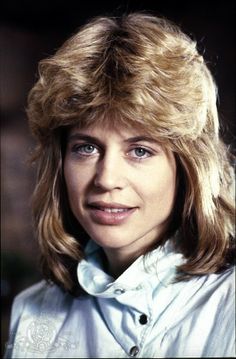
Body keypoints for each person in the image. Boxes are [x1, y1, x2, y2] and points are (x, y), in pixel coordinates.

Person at [5, 12, 235, 358]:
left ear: (187, 166)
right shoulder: (33, 314)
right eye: (86, 148)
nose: (107, 179)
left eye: (140, 151)